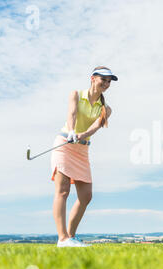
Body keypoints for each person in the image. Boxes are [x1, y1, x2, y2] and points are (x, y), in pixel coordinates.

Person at [50, 66, 117, 247]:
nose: (106, 83)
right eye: (103, 79)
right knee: (63, 191)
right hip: (64, 145)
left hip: (82, 150)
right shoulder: (76, 94)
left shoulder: (106, 109)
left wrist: (82, 135)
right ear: (93, 78)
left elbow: (95, 127)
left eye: (109, 81)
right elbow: (71, 113)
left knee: (86, 196)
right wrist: (72, 131)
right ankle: (62, 238)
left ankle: (70, 236)